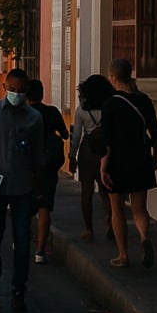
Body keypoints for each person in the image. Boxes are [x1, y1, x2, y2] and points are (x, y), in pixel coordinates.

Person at [0, 67, 49, 312]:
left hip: (23, 187)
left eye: (21, 90)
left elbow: (38, 158)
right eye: (12, 89)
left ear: (27, 91)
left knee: (22, 241)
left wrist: (38, 191)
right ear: (5, 87)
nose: (16, 94)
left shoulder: (34, 118)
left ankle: (18, 288)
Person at [98, 70, 157, 270]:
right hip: (141, 158)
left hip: (117, 160)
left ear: (113, 77)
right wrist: (156, 156)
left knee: (117, 209)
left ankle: (123, 255)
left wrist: (103, 166)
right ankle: (144, 237)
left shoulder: (110, 104)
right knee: (139, 208)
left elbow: (106, 139)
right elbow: (155, 133)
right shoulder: (144, 100)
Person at [25, 77, 69, 264]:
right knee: (44, 207)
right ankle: (40, 251)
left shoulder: (23, 113)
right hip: (48, 166)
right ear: (42, 94)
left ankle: (21, 241)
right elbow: (65, 134)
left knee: (24, 207)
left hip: (26, 166)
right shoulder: (51, 112)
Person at [70, 78, 108, 242]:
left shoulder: (81, 111)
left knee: (87, 191)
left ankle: (88, 229)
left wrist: (72, 156)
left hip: (87, 149)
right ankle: (110, 219)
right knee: (106, 190)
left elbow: (77, 135)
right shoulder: (108, 108)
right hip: (104, 149)